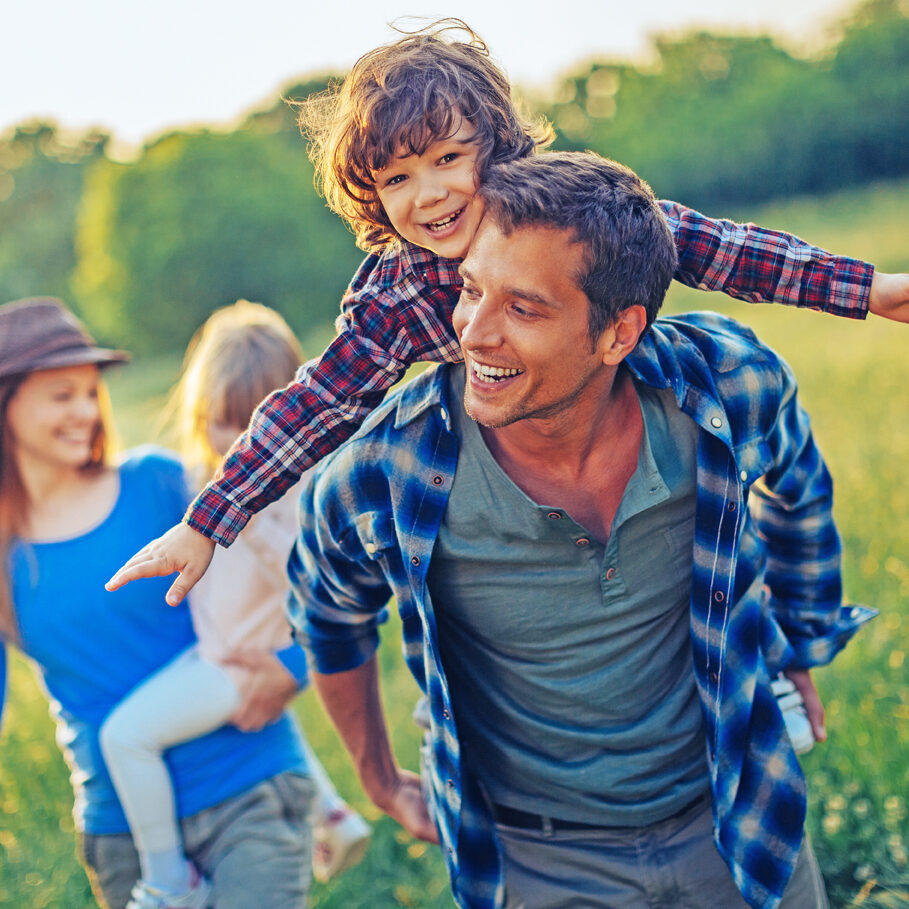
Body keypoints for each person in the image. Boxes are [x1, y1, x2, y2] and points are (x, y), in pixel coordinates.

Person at [106, 20, 909, 605]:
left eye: (447, 159)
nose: (428, 195)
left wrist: (864, 290)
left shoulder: (561, 207)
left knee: (700, 534)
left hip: (617, 395)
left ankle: (757, 644)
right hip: (508, 446)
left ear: (494, 144)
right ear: (371, 195)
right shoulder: (394, 292)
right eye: (396, 179)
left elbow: (709, 245)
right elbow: (316, 402)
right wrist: (210, 520)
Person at [285, 152, 877, 909]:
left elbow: (797, 488)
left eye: (523, 308)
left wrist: (798, 632)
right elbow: (325, 612)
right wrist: (376, 776)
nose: (474, 332)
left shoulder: (727, 384)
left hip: (738, 815)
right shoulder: (385, 468)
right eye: (471, 290)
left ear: (618, 332)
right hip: (536, 863)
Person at [0, 297, 314, 909]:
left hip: (249, 788)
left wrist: (292, 670)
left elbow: (314, 577)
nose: (86, 412)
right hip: (124, 833)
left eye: (91, 393)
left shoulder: (161, 483)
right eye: (62, 396)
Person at [98, 300, 370, 907]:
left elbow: (319, 579)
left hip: (237, 662)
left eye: (259, 424)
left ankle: (169, 879)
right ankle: (333, 815)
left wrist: (257, 522)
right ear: (200, 413)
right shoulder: (200, 476)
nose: (241, 443)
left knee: (126, 737)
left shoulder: (290, 498)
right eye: (225, 420)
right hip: (224, 650)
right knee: (273, 717)